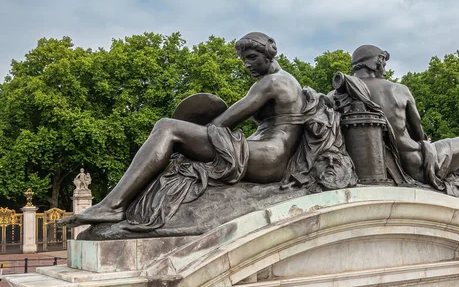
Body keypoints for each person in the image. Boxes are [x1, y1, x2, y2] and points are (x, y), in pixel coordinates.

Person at [60, 32, 306, 227]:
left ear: (269, 54)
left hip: (270, 157)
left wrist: (189, 128)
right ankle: (115, 205)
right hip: (266, 151)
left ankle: (113, 206)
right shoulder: (283, 80)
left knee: (167, 127)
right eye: (244, 60)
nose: (247, 65)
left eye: (252, 57)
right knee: (174, 134)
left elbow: (222, 123)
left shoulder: (272, 82)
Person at [351, 44, 459, 210]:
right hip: (414, 164)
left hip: (376, 170)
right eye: (384, 65)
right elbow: (418, 133)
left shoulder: (340, 93)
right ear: (376, 63)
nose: (385, 71)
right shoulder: (398, 90)